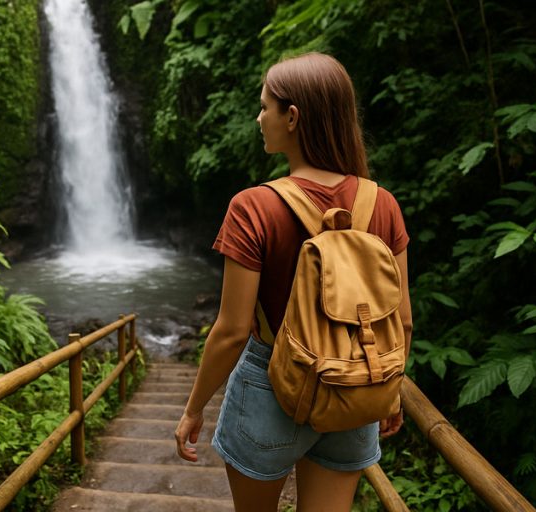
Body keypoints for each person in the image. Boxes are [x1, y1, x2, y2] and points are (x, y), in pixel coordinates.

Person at [174, 52, 413, 512]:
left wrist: (193, 407)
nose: (259, 117)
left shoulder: (254, 207)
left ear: (293, 116)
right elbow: (401, 320)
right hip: (356, 382)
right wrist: (391, 389)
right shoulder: (383, 205)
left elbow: (231, 331)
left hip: (272, 387)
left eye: (265, 106)